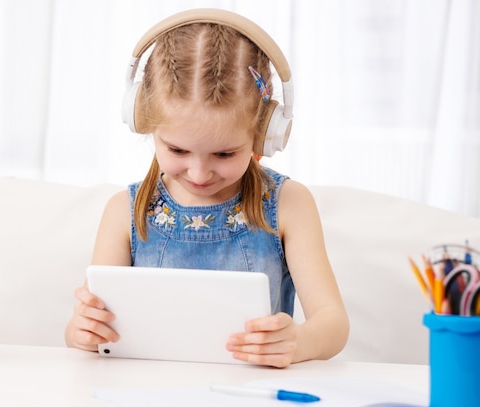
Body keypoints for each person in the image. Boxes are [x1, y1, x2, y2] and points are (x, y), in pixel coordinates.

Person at [65, 9, 349, 368]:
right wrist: (82, 332)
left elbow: (333, 324)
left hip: (254, 393)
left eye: (225, 153)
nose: (199, 173)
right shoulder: (123, 210)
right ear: (144, 124)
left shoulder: (289, 204)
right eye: (177, 150)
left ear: (265, 134)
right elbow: (88, 329)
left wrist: (300, 341)